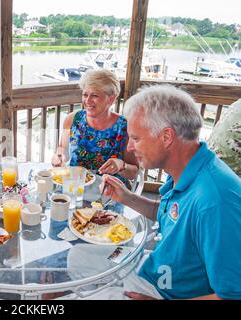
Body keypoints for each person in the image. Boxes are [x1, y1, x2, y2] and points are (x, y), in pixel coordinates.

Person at [99, 85, 241, 299]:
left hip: (163, 293)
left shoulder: (215, 201)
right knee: (76, 256)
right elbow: (173, 214)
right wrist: (126, 197)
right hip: (153, 268)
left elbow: (233, 294)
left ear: (166, 137)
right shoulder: (185, 167)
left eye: (136, 138)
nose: (129, 147)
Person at [51, 69, 139, 182]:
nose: (87, 101)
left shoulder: (125, 127)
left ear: (111, 98)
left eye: (94, 95)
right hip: (74, 186)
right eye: (85, 94)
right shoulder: (72, 120)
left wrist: (121, 165)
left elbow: (134, 172)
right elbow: (62, 149)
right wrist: (59, 156)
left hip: (111, 191)